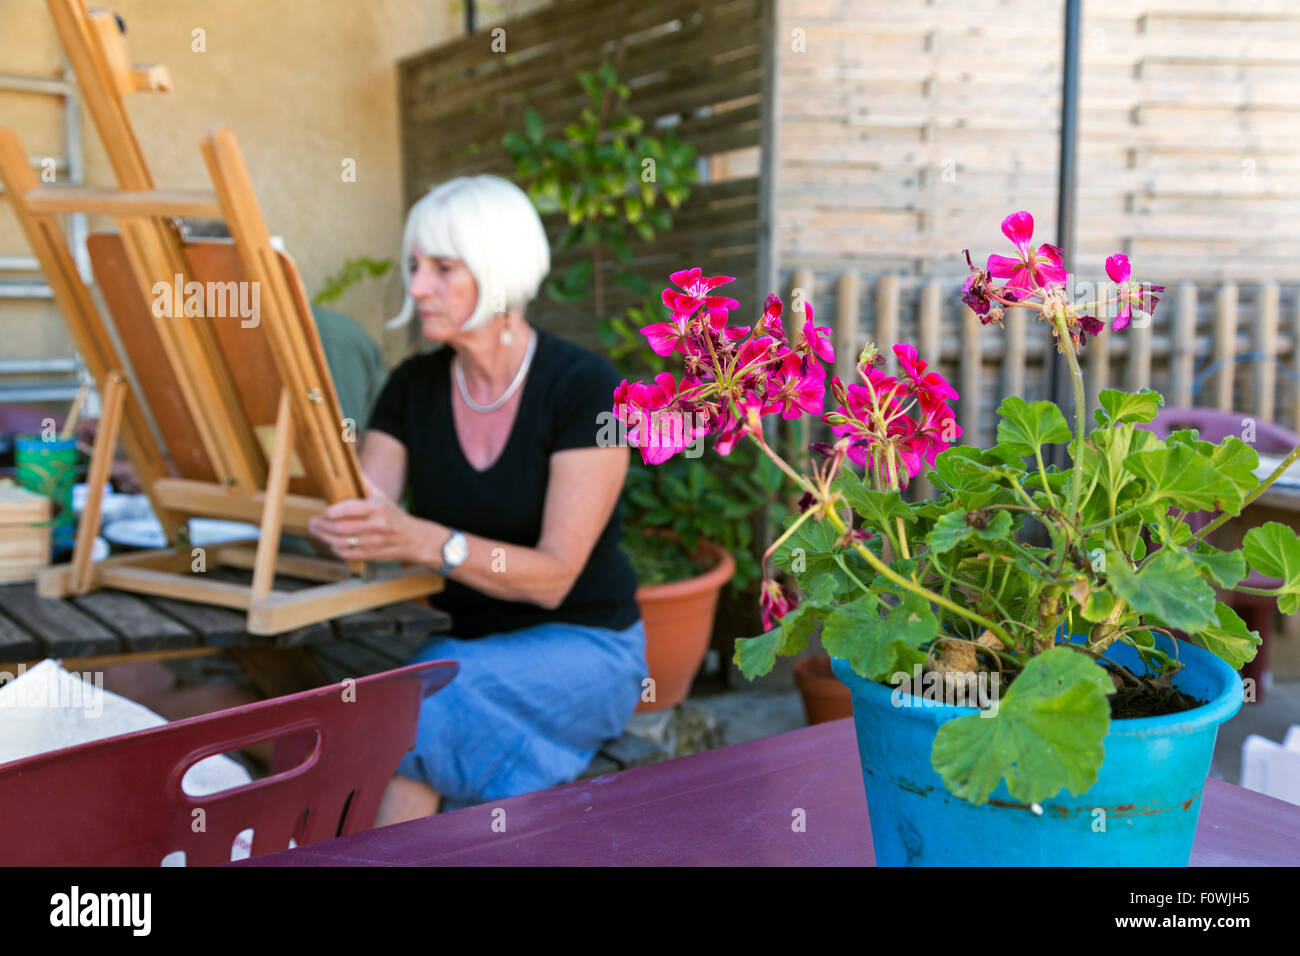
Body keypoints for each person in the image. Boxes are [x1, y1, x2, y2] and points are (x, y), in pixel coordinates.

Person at [307, 175, 646, 824]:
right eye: (413, 267)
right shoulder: (414, 386)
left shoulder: (584, 388)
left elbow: (553, 578)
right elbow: (367, 508)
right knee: (404, 709)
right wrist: (346, 523)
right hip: (468, 653)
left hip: (586, 650)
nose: (416, 289)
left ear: (497, 269)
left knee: (421, 705)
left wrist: (426, 541)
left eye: (441, 268)